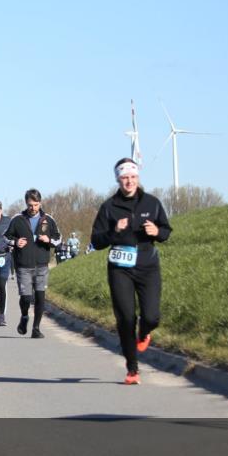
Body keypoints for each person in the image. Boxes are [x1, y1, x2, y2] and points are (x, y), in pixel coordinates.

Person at [90, 157, 172, 385]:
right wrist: (114, 231)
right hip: (120, 268)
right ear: (118, 179)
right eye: (124, 178)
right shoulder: (109, 207)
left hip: (148, 266)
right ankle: (132, 368)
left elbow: (166, 232)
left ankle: (145, 332)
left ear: (138, 178)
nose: (129, 182)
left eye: (133, 177)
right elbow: (96, 241)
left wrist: (157, 231)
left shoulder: (152, 203)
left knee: (152, 316)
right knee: (126, 318)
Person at [5, 189, 61, 338]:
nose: (33, 208)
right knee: (26, 298)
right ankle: (24, 317)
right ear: (26, 204)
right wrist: (16, 242)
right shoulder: (17, 219)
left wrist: (48, 240)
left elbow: (58, 239)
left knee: (41, 297)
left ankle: (36, 328)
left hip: (42, 265)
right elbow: (6, 237)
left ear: (40, 203)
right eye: (30, 205)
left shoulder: (48, 220)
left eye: (36, 205)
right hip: (23, 266)